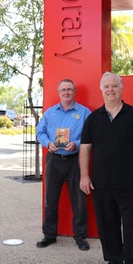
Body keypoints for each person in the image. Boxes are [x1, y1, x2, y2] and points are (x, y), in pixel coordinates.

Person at [79, 72, 133, 264]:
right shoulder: (93, 119)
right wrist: (84, 176)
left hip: (130, 184)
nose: (110, 89)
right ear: (101, 90)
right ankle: (115, 260)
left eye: (114, 86)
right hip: (101, 184)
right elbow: (85, 147)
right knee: (107, 227)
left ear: (121, 88)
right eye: (107, 86)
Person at [35, 78, 91, 251]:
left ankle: (80, 236)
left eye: (69, 89)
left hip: (75, 160)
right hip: (54, 160)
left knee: (79, 201)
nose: (66, 92)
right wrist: (47, 143)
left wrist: (77, 143)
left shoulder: (84, 113)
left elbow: (92, 135)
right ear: (59, 92)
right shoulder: (50, 113)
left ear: (74, 92)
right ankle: (49, 235)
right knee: (50, 200)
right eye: (63, 90)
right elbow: (39, 132)